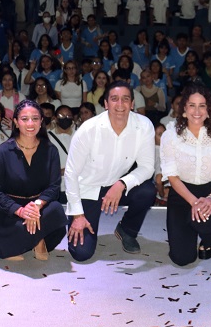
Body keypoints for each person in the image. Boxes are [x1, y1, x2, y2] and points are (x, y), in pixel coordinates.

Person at [64, 80, 157, 261]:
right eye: (114, 99)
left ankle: (127, 230)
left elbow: (147, 167)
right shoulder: (89, 129)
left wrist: (122, 184)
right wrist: (77, 214)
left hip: (116, 185)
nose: (120, 105)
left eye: (125, 99)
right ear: (106, 104)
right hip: (88, 190)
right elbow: (71, 173)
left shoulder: (144, 126)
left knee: (147, 191)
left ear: (132, 103)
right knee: (81, 253)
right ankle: (69, 221)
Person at [159, 84, 211, 266]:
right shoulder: (170, 135)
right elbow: (172, 176)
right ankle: (192, 226)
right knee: (182, 259)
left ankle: (208, 239)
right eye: (192, 105)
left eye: (202, 105)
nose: (197, 111)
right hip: (182, 193)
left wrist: (210, 199)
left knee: (202, 221)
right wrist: (193, 202)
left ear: (209, 109)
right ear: (184, 108)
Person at [0, 100, 68, 261]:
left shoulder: (50, 150)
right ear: (16, 122)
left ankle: (37, 239)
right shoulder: (3, 151)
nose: (30, 123)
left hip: (38, 207)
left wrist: (36, 207)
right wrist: (21, 211)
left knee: (56, 209)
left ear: (41, 123)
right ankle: (35, 238)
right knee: (14, 231)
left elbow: (53, 187)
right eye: (24, 119)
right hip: (10, 211)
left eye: (35, 118)